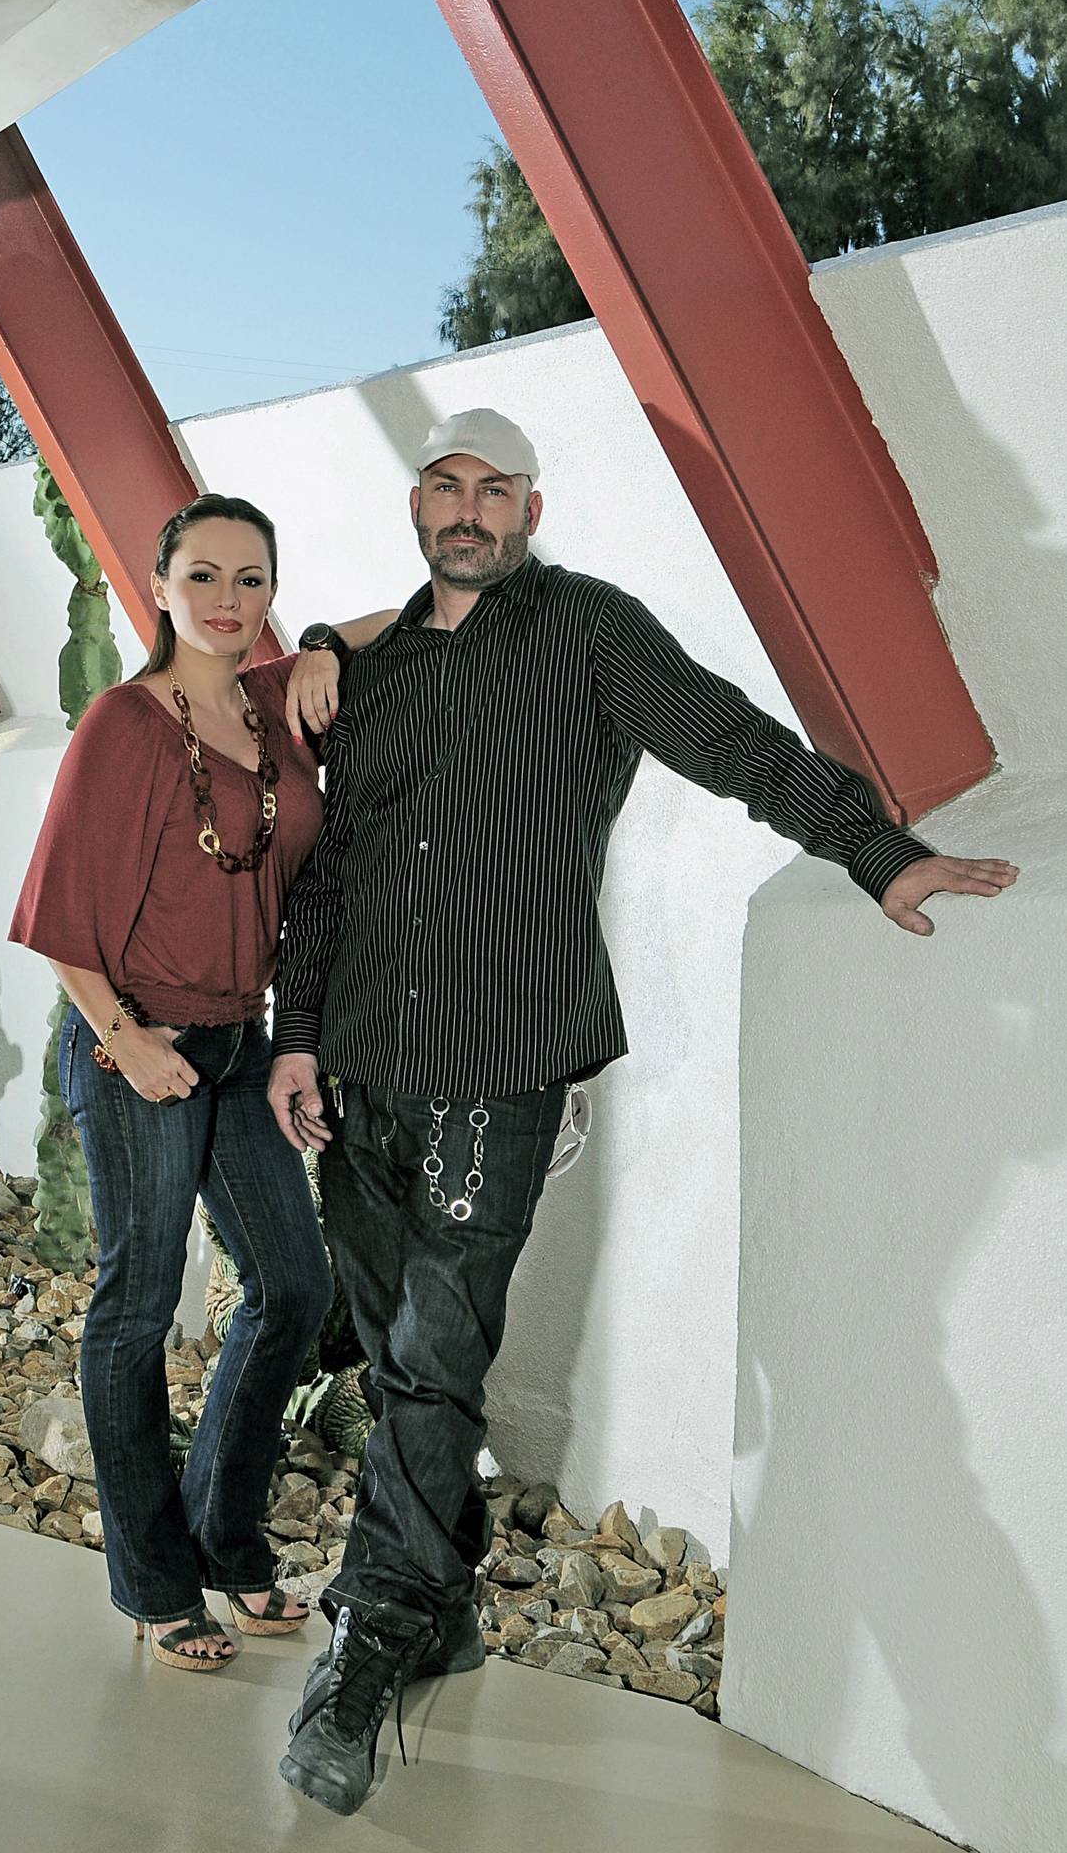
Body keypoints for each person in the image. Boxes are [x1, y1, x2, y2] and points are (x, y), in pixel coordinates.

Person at [267, 406, 1018, 1815]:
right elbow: (327, 871)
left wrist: (874, 854)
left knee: (433, 1356)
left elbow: (733, 744)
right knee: (397, 1352)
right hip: (359, 1062)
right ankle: (442, 1595)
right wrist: (292, 1037)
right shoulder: (359, 671)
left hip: (501, 1063)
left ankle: (365, 1647)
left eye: (496, 488)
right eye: (445, 485)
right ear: (417, 507)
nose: (468, 509)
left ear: (531, 513)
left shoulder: (587, 633)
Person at [9, 493, 388, 1671]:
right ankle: (154, 1581)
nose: (229, 601)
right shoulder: (122, 722)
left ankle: (226, 1540)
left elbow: (412, 620)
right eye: (205, 577)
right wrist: (121, 1035)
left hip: (237, 1040)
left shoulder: (276, 704)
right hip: (138, 1044)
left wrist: (319, 640)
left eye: (253, 580)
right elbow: (57, 906)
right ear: (159, 585)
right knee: (135, 1304)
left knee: (288, 1282)